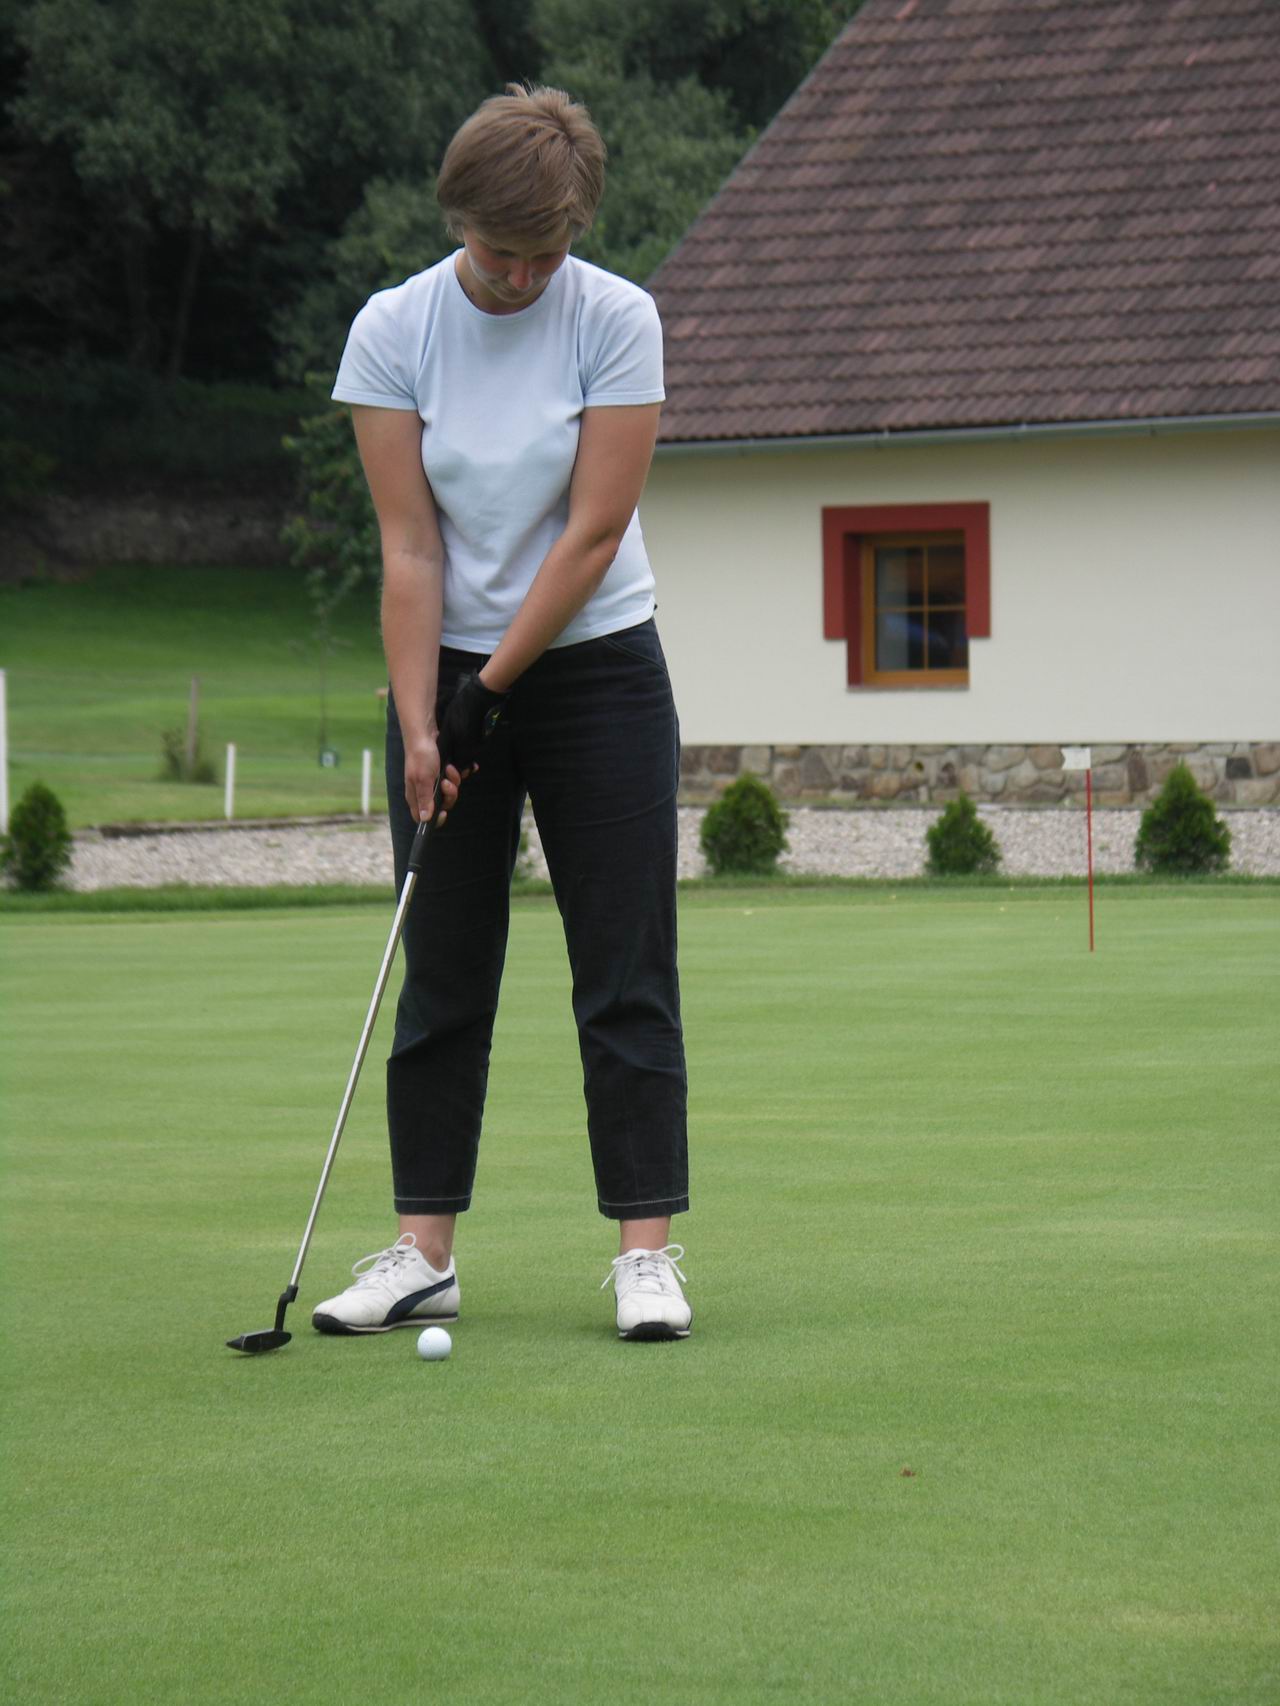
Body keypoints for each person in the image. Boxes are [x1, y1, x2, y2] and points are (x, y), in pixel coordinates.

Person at [311, 85, 691, 1343]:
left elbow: (591, 532)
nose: (523, 275)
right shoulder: (394, 327)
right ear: (456, 218)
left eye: (547, 251)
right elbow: (409, 544)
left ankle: (644, 1255)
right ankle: (422, 1251)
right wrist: (425, 718)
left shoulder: (615, 317)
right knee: (443, 965)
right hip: (443, 672)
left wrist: (490, 688)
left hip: (596, 667)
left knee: (623, 968)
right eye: (498, 250)